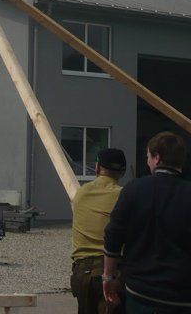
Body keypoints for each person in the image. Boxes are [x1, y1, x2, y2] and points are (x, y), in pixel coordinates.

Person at [103, 131, 191, 312]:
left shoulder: (134, 189)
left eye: (148, 157)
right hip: (182, 296)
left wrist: (108, 277)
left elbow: (113, 237)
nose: (147, 161)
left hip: (141, 293)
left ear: (157, 158)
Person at [70, 147, 127, 314]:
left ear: (97, 168)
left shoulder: (81, 193)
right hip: (113, 270)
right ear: (122, 172)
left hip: (82, 272)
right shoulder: (124, 196)